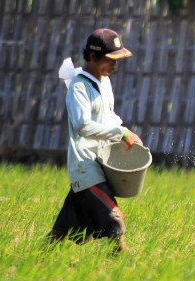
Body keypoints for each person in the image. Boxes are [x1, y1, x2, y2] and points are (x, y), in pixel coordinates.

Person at [48, 28, 142, 254]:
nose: (114, 66)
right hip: (85, 167)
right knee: (114, 218)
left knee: (61, 232)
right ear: (92, 57)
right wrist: (120, 133)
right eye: (110, 60)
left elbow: (108, 117)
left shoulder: (104, 82)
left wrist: (124, 133)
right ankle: (123, 259)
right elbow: (83, 126)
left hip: (100, 162)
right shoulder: (79, 88)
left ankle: (32, 261)